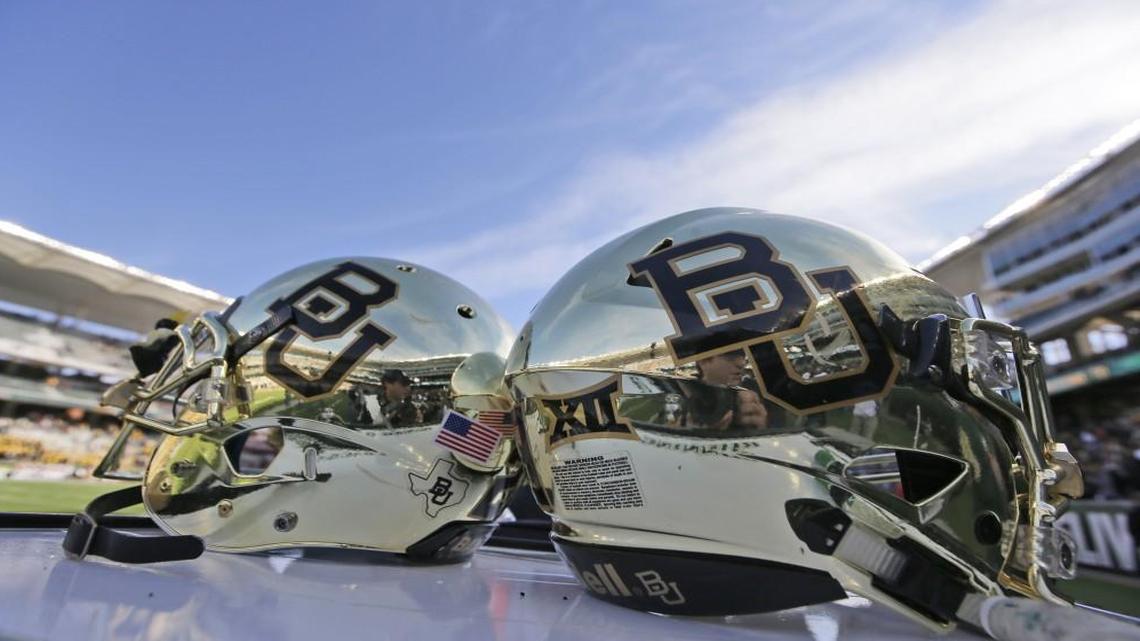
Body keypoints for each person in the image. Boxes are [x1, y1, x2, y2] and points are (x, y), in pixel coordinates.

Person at [691, 350, 767, 430]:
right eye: (730, 357)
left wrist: (760, 427)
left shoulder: (759, 391)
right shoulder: (686, 396)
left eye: (743, 356)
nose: (742, 363)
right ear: (704, 361)